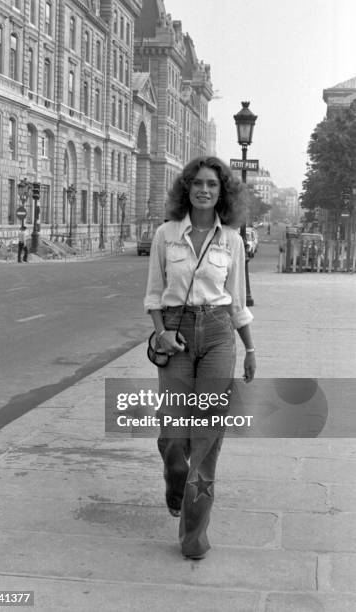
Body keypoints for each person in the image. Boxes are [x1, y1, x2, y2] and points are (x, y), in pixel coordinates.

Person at [144, 156, 256, 560]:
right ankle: (175, 481)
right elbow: (154, 294)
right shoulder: (166, 235)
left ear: (222, 193)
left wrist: (250, 348)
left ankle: (194, 535)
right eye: (198, 183)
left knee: (207, 436)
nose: (204, 190)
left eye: (213, 184)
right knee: (173, 435)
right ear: (186, 189)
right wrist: (161, 331)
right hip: (174, 332)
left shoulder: (233, 241)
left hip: (219, 335)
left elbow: (238, 301)